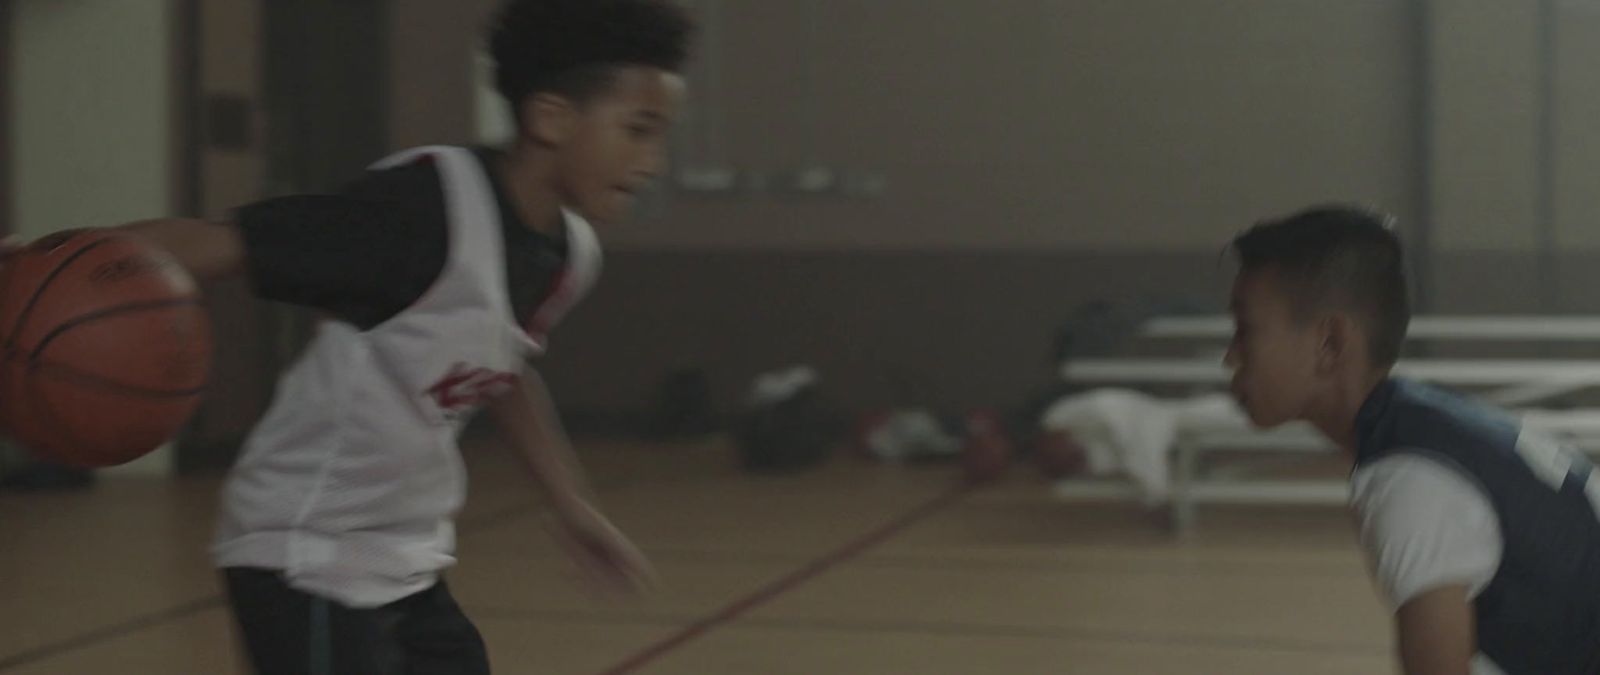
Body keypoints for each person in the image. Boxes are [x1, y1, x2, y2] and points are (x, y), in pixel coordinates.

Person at [1, 1, 693, 671]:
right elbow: (221, 242)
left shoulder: (568, 253)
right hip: (303, 548)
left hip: (406, 553)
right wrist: (42, 269)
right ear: (551, 116)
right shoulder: (422, 212)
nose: (654, 160)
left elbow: (503, 370)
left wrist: (572, 504)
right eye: (639, 129)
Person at [1224, 204, 1600, 674]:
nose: (1229, 358)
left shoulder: (1410, 479)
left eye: (1244, 331)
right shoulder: (1429, 421)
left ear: (1330, 344)